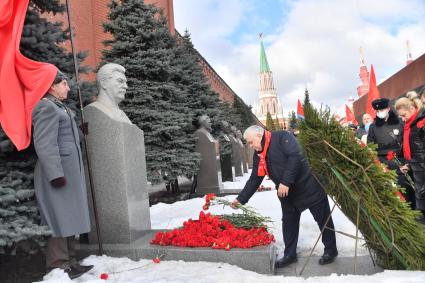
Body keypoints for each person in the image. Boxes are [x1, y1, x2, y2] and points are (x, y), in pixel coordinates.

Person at [231, 125, 338, 268]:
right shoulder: (259, 154)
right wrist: (240, 199)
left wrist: (285, 181)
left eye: (251, 142)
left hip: (308, 185)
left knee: (323, 219)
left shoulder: (282, 137)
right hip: (287, 194)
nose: (251, 146)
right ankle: (290, 254)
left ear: (259, 135)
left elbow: (296, 156)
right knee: (288, 223)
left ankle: (331, 250)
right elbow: (255, 179)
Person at [32, 70, 93, 279]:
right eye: (64, 84)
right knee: (58, 218)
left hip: (69, 173)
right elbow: (44, 143)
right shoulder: (45, 106)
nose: (68, 88)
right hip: (57, 174)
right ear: (52, 86)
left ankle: (71, 261)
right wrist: (55, 174)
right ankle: (58, 264)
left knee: (70, 217)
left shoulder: (61, 108)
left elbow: (65, 139)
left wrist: (79, 131)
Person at [367, 98, 415, 208]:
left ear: (388, 108)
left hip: (401, 163)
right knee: (392, 198)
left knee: (406, 195)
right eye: (377, 111)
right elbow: (371, 149)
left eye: (382, 110)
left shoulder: (399, 123)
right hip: (384, 165)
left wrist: (407, 163)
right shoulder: (373, 127)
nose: (380, 113)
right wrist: (379, 166)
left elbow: (407, 144)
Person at [395, 91, 425, 222]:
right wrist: (408, 164)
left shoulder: (421, 123)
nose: (402, 119)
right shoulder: (409, 126)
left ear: (412, 109)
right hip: (417, 171)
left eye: (403, 115)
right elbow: (411, 150)